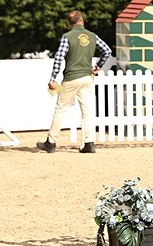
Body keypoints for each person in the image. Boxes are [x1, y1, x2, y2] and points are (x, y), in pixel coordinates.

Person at [36, 10, 113, 154]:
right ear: (82, 21)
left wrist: (53, 78)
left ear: (69, 23)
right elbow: (107, 51)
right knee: (87, 111)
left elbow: (59, 57)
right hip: (87, 77)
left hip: (71, 77)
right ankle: (89, 143)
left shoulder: (68, 37)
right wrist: (97, 67)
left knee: (61, 109)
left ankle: (51, 142)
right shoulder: (92, 36)